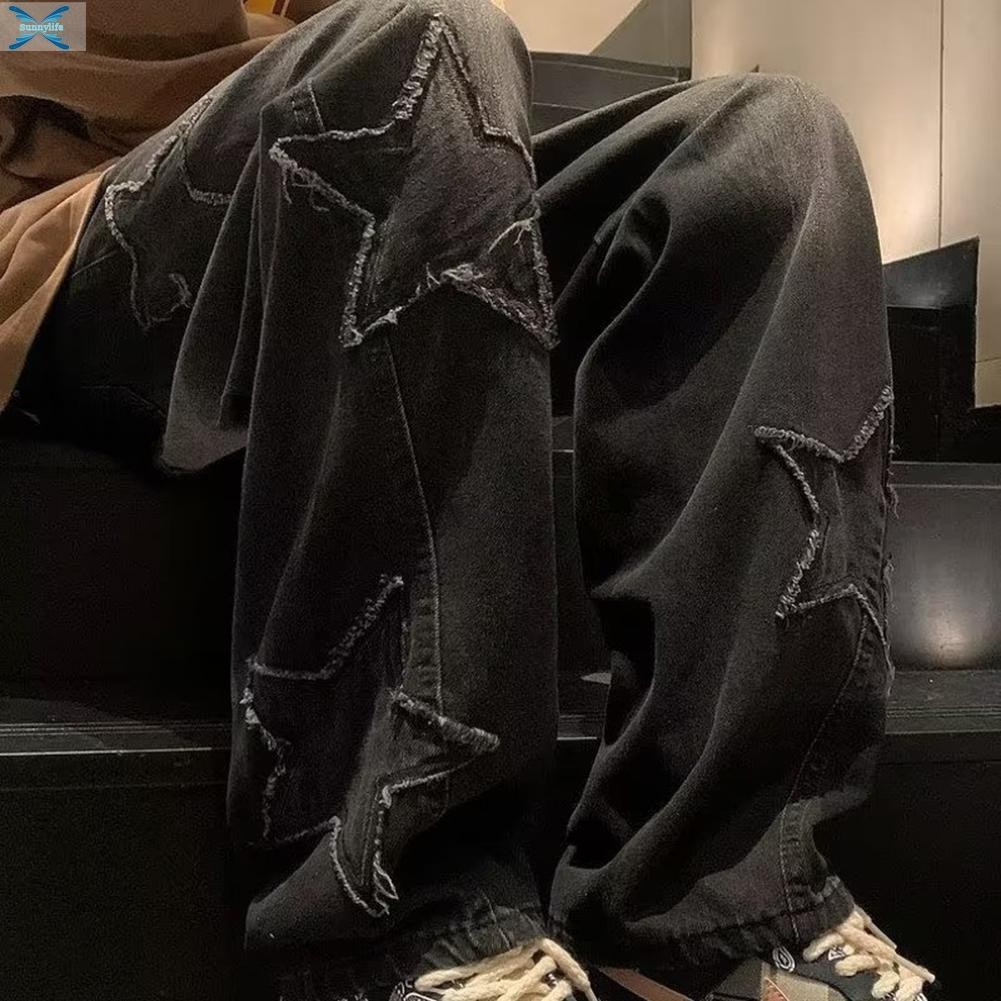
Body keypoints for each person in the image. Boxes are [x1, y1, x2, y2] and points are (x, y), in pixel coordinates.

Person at [1, 1, 938, 999]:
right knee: (426, 50)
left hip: (329, 157)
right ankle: (404, 917)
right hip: (73, 232)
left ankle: (713, 896)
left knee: (773, 143)